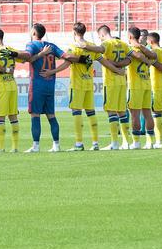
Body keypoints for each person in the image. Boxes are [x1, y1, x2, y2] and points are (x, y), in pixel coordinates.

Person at [41, 23, 122, 151]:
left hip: (77, 84)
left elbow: (66, 64)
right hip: (89, 84)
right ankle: (95, 143)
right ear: (84, 32)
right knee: (91, 112)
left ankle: (79, 143)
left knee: (76, 112)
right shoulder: (91, 46)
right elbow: (104, 62)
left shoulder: (73, 47)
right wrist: (118, 70)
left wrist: (51, 72)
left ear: (74, 32)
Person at [9, 23, 81, 153]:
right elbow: (68, 58)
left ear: (34, 33)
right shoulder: (51, 46)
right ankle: (56, 145)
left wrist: (14, 54)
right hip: (50, 85)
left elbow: (27, 56)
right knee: (51, 116)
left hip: (37, 85)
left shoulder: (31, 45)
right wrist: (54, 71)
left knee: (35, 115)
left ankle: (36, 146)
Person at [96, 25, 134, 149]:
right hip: (122, 81)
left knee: (111, 111)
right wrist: (119, 66)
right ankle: (126, 142)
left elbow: (98, 50)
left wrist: (84, 45)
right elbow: (129, 59)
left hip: (111, 81)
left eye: (99, 37)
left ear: (102, 35)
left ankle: (114, 143)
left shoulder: (106, 44)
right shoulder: (122, 43)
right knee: (122, 112)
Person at [124, 26, 157, 149]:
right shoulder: (145, 49)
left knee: (135, 114)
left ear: (130, 36)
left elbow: (135, 57)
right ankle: (150, 142)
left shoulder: (130, 48)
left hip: (135, 85)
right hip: (146, 84)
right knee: (148, 113)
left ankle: (136, 142)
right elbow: (153, 56)